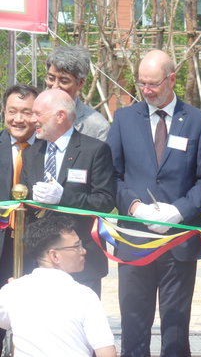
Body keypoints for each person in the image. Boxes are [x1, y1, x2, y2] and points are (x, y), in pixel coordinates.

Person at [107, 49, 201, 357]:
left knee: (176, 329)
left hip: (178, 241)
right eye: (142, 83)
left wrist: (179, 210)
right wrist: (135, 208)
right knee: (134, 324)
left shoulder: (197, 121)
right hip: (136, 240)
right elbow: (111, 175)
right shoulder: (125, 119)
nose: (146, 90)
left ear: (172, 79)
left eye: (153, 84)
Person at [20, 88, 115, 297]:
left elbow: (105, 201)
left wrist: (62, 197)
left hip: (81, 262)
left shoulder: (94, 151)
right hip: (40, 262)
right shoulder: (31, 153)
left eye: (38, 114)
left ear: (60, 116)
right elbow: (23, 199)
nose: (32, 120)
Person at [0, 215, 116, 357]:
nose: (83, 251)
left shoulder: (13, 291)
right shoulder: (85, 296)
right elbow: (106, 352)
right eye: (76, 246)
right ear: (54, 256)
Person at [0, 84, 39, 353]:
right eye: (12, 111)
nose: (18, 119)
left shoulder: (51, 151)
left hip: (37, 253)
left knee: (36, 328)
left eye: (26, 112)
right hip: (2, 251)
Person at [45, 45, 110, 141]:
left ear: (80, 83)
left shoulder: (98, 127)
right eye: (51, 79)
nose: (55, 86)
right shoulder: (30, 115)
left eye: (64, 81)